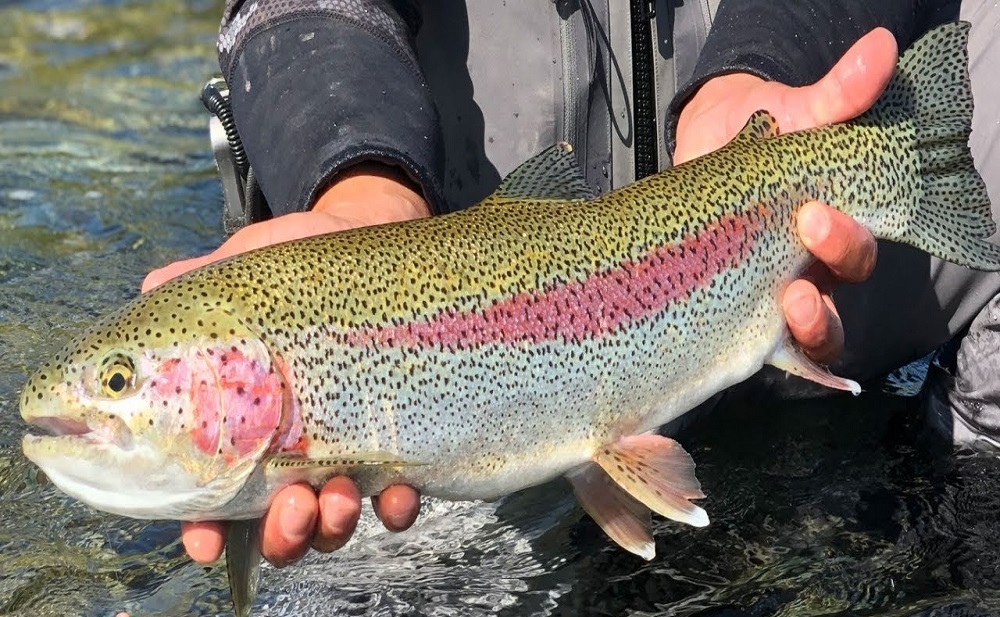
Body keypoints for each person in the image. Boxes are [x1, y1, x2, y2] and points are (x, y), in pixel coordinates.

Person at [142, 0, 1000, 568]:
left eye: (122, 383)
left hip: (790, 150)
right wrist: (356, 183)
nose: (120, 397)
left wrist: (766, 63)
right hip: (463, 232)